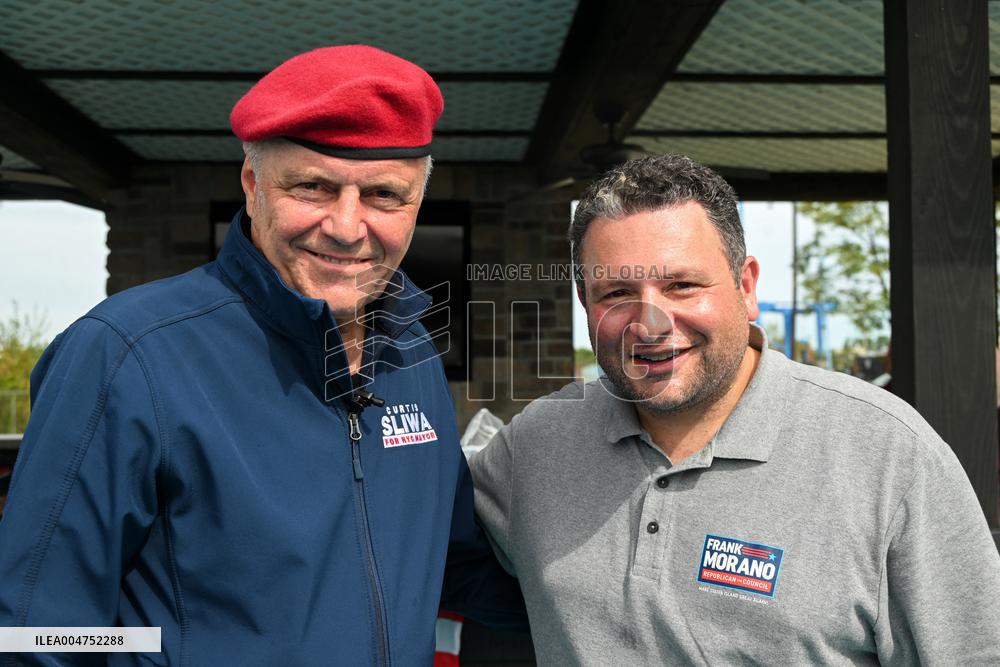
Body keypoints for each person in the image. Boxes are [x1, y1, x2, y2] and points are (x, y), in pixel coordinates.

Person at [0, 45, 523, 664]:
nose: (347, 226)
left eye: (384, 195)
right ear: (253, 187)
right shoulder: (125, 355)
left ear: (415, 206)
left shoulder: (410, 350)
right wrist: (167, 650)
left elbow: (450, 561)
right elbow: (39, 631)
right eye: (313, 186)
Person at [470, 154, 1000, 664]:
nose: (650, 324)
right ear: (586, 304)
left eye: (682, 285)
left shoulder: (887, 455)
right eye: (616, 293)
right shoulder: (538, 445)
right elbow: (409, 531)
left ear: (746, 287)